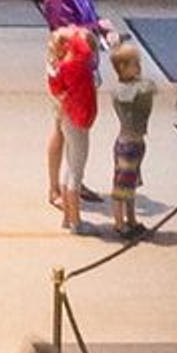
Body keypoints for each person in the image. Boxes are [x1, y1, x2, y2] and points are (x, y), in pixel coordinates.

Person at [46, 22, 102, 229]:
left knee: (69, 167)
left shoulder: (60, 66)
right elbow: (86, 50)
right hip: (77, 119)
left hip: (68, 116)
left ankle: (67, 218)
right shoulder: (75, 67)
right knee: (76, 170)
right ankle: (76, 220)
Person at [106, 38, 160, 238]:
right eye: (134, 63)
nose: (139, 67)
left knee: (131, 184)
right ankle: (119, 223)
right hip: (128, 145)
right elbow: (144, 90)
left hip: (136, 144)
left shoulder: (137, 87)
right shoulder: (125, 91)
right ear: (122, 67)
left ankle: (131, 218)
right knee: (122, 186)